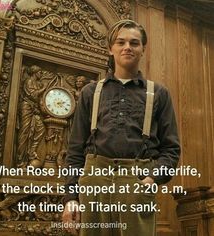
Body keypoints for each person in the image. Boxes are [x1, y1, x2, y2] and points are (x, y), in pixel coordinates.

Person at [62, 19, 180, 236]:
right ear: (111, 48)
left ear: (143, 49)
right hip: (93, 180)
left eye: (134, 43)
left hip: (137, 182)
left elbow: (171, 151)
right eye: (121, 42)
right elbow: (75, 151)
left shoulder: (159, 94)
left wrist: (150, 179)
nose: (127, 47)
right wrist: (71, 198)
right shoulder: (90, 92)